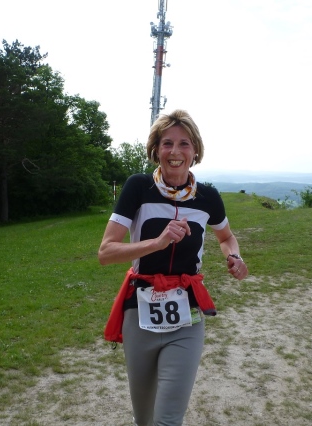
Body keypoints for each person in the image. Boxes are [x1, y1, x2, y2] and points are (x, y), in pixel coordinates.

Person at [98, 109, 247, 426]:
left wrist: (235, 256)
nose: (175, 152)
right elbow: (106, 252)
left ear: (195, 151)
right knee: (145, 418)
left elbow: (226, 237)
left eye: (184, 144)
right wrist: (157, 242)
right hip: (140, 313)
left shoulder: (208, 197)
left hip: (187, 316)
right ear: (156, 149)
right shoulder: (138, 188)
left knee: (167, 420)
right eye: (167, 143)